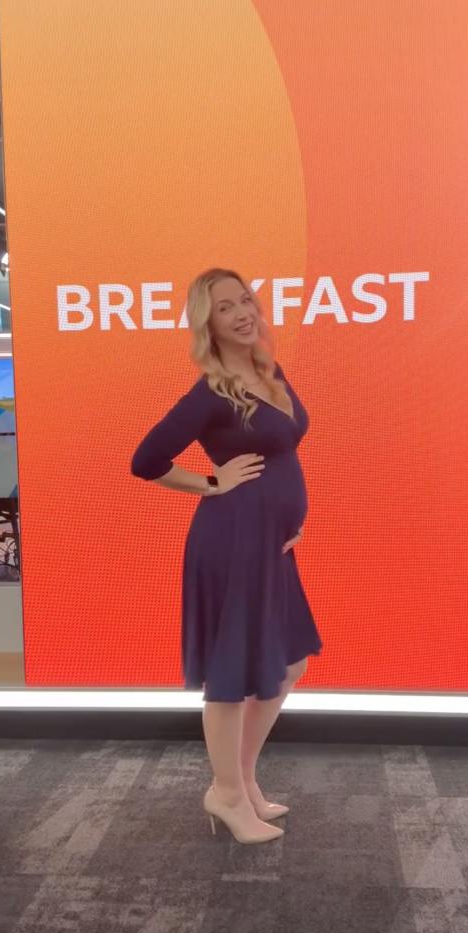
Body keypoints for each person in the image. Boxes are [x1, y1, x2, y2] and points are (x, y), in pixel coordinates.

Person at [131, 267, 323, 844]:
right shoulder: (210, 392)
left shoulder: (270, 371)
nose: (242, 312)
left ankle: (240, 781)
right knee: (233, 675)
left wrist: (292, 520)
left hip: (272, 545)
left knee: (288, 664)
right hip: (232, 543)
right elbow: (147, 460)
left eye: (245, 300)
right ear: (206, 323)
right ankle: (228, 795)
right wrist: (212, 484)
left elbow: (284, 457)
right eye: (224, 307)